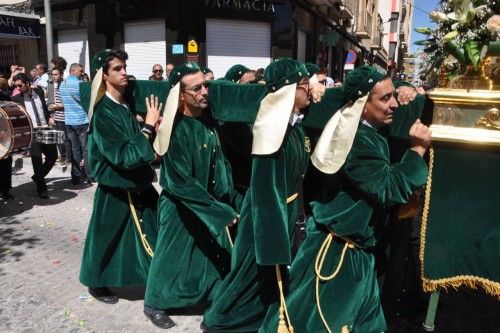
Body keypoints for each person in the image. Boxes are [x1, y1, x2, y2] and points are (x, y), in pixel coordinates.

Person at [259, 65, 430, 332]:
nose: (394, 104)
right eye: (385, 99)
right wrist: (417, 150)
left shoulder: (366, 130)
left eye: (394, 95)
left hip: (358, 253)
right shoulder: (359, 141)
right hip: (337, 257)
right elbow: (388, 186)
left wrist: (407, 90)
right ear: (362, 105)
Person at [202, 58, 315, 332]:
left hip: (285, 211)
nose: (310, 91)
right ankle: (220, 320)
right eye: (303, 86)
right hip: (266, 216)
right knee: (248, 274)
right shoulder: (271, 132)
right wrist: (275, 239)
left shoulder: (294, 124)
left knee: (261, 276)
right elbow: (267, 191)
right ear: (287, 91)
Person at [144, 63, 239, 329]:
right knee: (170, 258)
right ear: (181, 95)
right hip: (179, 208)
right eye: (196, 88)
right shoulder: (177, 130)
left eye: (205, 85)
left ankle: (210, 296)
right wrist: (219, 211)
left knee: (209, 253)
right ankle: (154, 303)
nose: (204, 92)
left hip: (207, 204)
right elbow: (178, 182)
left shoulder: (207, 120)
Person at [79, 49, 161, 305]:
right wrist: (147, 126)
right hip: (115, 187)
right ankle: (96, 281)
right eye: (117, 68)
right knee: (105, 240)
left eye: (124, 66)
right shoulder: (103, 112)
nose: (124, 72)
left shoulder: (126, 104)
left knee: (153, 235)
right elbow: (123, 156)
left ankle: (156, 284)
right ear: (103, 75)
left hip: (138, 184)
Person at [11, 73, 57, 199]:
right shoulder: (16, 99)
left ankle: (37, 176)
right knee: (36, 159)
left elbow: (44, 108)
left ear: (27, 83)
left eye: (20, 85)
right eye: (17, 86)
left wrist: (48, 118)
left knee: (53, 156)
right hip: (32, 132)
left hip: (45, 129)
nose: (18, 88)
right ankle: (41, 189)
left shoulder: (40, 91)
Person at [59, 63, 91, 185]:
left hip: (69, 122)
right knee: (86, 150)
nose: (82, 73)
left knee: (74, 150)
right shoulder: (81, 85)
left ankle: (76, 177)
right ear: (73, 71)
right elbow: (87, 101)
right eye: (81, 71)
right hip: (82, 121)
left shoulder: (62, 84)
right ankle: (89, 176)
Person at [48, 67, 71, 165]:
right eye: (52, 75)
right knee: (58, 138)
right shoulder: (55, 86)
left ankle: (68, 157)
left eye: (56, 74)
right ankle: (63, 155)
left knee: (65, 139)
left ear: (61, 75)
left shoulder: (65, 86)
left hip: (64, 117)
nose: (53, 76)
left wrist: (56, 106)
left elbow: (69, 103)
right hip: (56, 117)